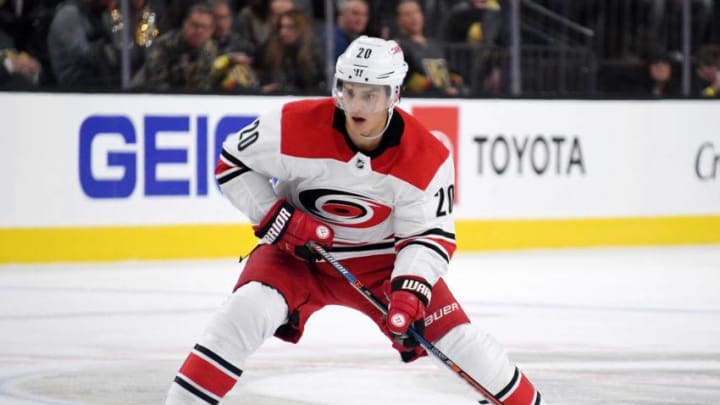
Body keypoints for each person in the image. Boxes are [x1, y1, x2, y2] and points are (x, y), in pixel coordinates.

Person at [165, 35, 544, 405]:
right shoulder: (292, 123)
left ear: (394, 95)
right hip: (298, 253)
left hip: (383, 263)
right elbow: (233, 163)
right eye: (349, 90)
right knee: (243, 312)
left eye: (370, 94)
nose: (356, 104)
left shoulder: (427, 155)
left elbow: (429, 235)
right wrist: (278, 218)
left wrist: (410, 290)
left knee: (463, 343)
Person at [137, 3, 217, 90]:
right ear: (185, 24)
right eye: (195, 25)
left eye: (204, 27)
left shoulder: (211, 49)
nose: (199, 31)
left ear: (211, 30)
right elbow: (157, 85)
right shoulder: (164, 46)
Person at [394, 0, 466, 96]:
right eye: (407, 14)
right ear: (399, 19)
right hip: (421, 100)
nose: (413, 17)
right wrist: (440, 91)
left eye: (416, 12)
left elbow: (453, 72)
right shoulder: (397, 47)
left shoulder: (436, 45)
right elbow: (409, 78)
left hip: (447, 99)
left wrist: (456, 85)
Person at [47, 0, 120, 88]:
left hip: (103, 86)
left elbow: (125, 48)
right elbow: (87, 56)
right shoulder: (69, 14)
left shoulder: (96, 14)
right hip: (80, 90)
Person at [254, 9, 325, 94]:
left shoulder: (314, 53)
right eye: (281, 27)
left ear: (301, 30)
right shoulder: (273, 51)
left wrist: (283, 88)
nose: (283, 32)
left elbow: (318, 85)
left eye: (290, 27)